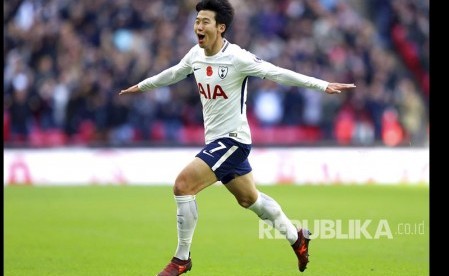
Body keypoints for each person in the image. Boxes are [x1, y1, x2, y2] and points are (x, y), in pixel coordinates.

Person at [119, 0, 356, 275]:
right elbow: (173, 73)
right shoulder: (195, 55)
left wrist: (322, 84)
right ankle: (297, 238)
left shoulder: (238, 58)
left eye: (205, 21)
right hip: (216, 142)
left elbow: (277, 73)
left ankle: (181, 259)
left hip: (233, 141)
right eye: (197, 21)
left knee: (183, 186)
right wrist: (142, 86)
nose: (198, 26)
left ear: (221, 28)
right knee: (250, 200)